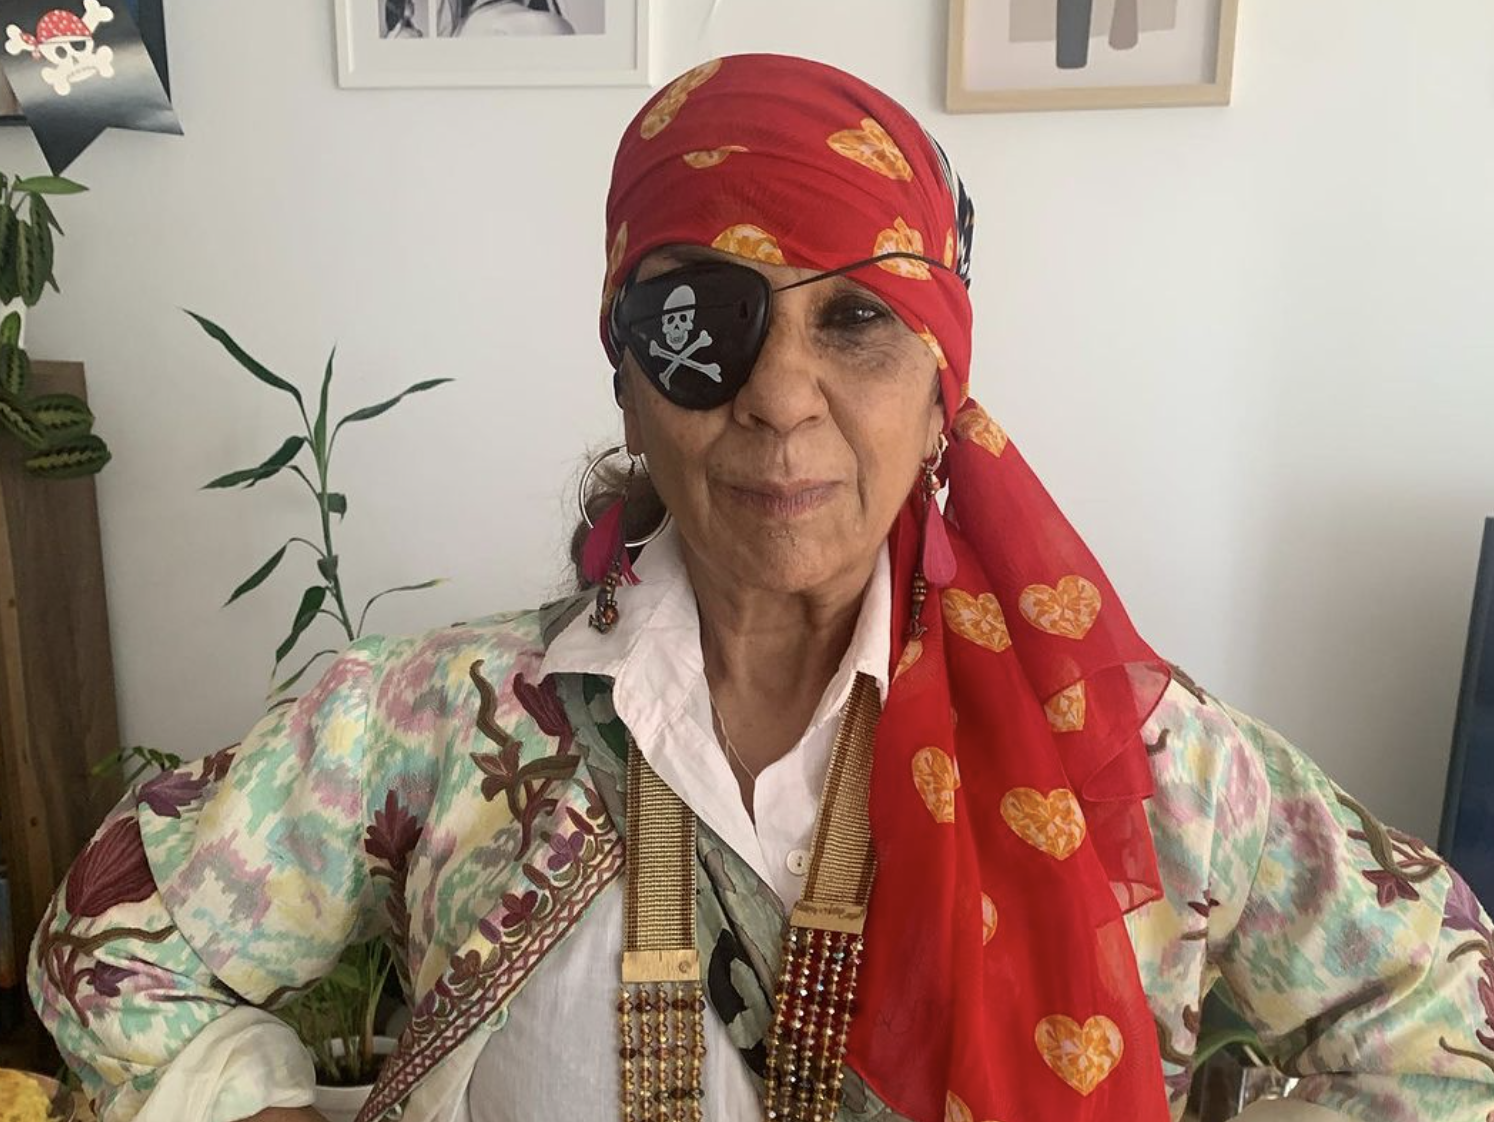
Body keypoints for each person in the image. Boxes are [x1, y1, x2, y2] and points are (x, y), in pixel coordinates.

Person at [26, 53, 1494, 1122]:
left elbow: (1448, 1014)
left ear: (942, 386)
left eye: (855, 320)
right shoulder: (435, 721)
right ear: (627, 376)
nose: (780, 397)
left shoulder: (1130, 761)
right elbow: (112, 950)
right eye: (703, 319)